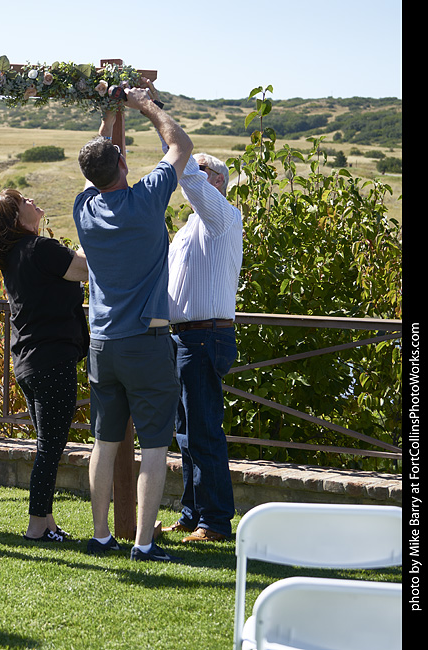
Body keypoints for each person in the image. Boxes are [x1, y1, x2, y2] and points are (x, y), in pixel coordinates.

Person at [72, 86, 193, 562]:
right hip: (146, 339)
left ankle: (101, 536)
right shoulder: (145, 200)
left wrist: (108, 120)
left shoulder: (84, 208)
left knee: (103, 443)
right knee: (155, 445)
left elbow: (98, 164)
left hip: (102, 343)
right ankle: (143, 543)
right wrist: (146, 106)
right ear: (123, 163)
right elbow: (180, 145)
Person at [137, 82, 243, 543]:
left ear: (215, 181)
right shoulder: (190, 228)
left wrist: (154, 114)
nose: (186, 175)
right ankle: (192, 512)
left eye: (197, 170)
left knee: (202, 432)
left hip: (204, 337)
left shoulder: (222, 218)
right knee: (185, 433)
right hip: (184, 337)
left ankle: (215, 521)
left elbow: (186, 171)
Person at [0, 189, 90, 542]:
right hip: (52, 360)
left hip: (30, 362)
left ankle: (48, 523)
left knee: (47, 445)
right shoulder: (39, 248)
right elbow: (85, 269)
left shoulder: (16, 256)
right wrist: (94, 228)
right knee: (50, 448)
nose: (31, 200)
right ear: (16, 218)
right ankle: (36, 526)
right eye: (23, 200)